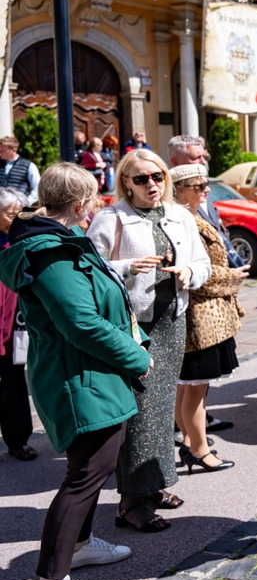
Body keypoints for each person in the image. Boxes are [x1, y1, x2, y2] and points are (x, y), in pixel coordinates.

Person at [0, 164, 153, 580]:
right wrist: (137, 357)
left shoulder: (62, 243)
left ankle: (82, 544)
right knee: (85, 476)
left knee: (97, 468)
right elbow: (80, 323)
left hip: (93, 372)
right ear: (82, 204)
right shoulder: (50, 252)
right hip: (79, 378)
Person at [87, 150, 211, 533]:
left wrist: (188, 271)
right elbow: (89, 268)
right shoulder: (111, 218)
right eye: (141, 179)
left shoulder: (179, 215)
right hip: (133, 327)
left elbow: (203, 263)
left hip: (170, 322)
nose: (152, 185)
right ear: (126, 181)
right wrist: (127, 267)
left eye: (157, 176)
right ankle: (130, 503)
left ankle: (152, 485)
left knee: (159, 412)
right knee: (141, 414)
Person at [170, 164, 245, 475]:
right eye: (199, 186)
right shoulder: (183, 220)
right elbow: (197, 273)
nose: (206, 190)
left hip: (205, 318)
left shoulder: (191, 216)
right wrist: (234, 276)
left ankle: (191, 439)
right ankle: (198, 450)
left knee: (188, 387)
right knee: (195, 388)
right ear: (180, 191)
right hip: (201, 319)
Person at [169, 135, 245, 272]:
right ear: (174, 161)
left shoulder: (202, 190)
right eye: (195, 158)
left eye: (204, 157)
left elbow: (218, 228)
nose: (202, 162)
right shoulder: (171, 206)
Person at [0, 187, 36, 462]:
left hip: (12, 326)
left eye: (16, 213)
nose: (13, 218)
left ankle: (18, 439)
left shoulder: (21, 240)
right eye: (8, 213)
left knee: (14, 383)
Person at [0, 135, 40, 204]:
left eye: (2, 150)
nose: (0, 153)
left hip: (19, 210)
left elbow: (38, 188)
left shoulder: (29, 165)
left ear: (13, 150)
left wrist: (25, 203)